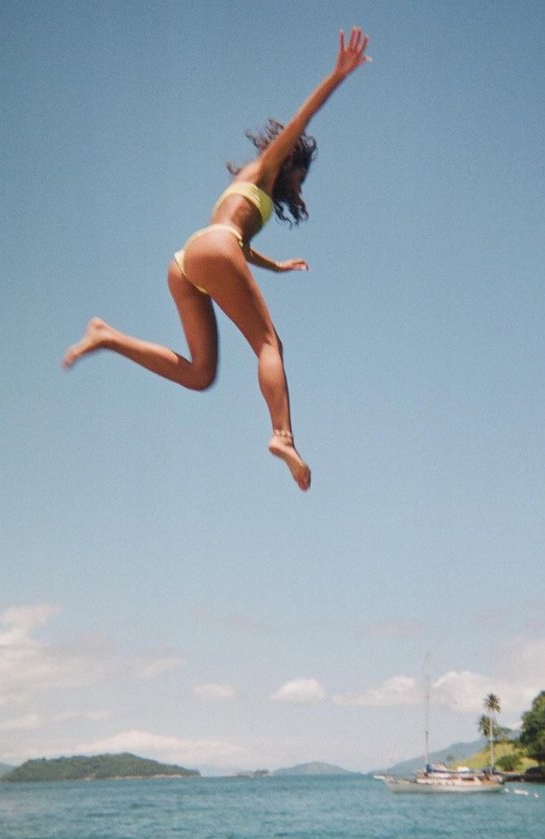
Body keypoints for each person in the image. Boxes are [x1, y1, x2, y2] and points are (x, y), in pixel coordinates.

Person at [63, 27, 371, 491]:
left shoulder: (246, 188)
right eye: (299, 178)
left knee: (201, 373)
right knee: (270, 345)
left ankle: (106, 336)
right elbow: (300, 122)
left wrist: (277, 265)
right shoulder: (267, 167)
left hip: (189, 261)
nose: (298, 188)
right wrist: (338, 76)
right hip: (216, 249)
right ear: (286, 164)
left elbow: (238, 247)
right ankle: (283, 436)